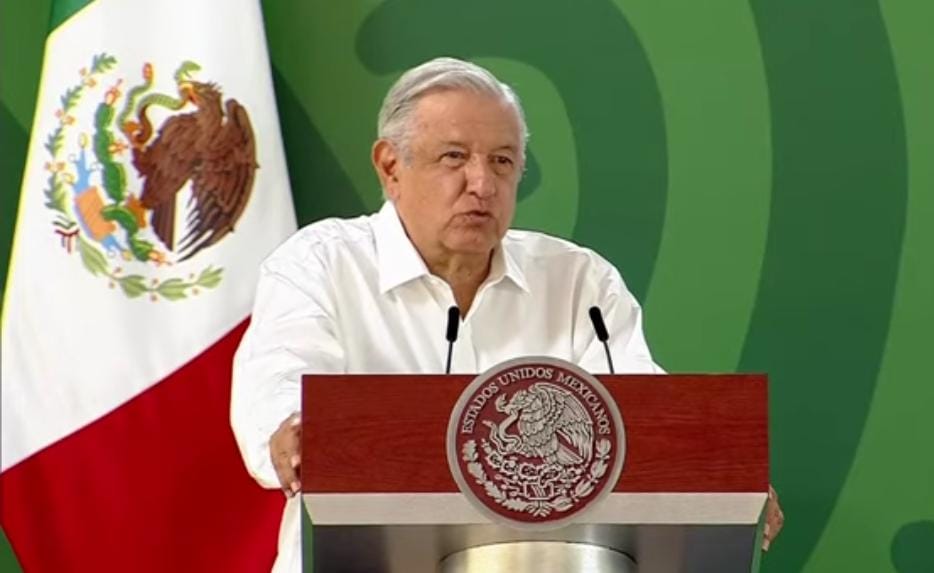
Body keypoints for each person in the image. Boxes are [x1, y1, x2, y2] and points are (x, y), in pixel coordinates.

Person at [231, 57, 782, 572]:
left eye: (502, 161)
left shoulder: (578, 282)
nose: (482, 184)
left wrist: (716, 476)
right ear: (390, 166)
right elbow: (280, 385)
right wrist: (295, 430)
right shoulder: (320, 264)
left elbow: (643, 416)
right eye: (454, 157)